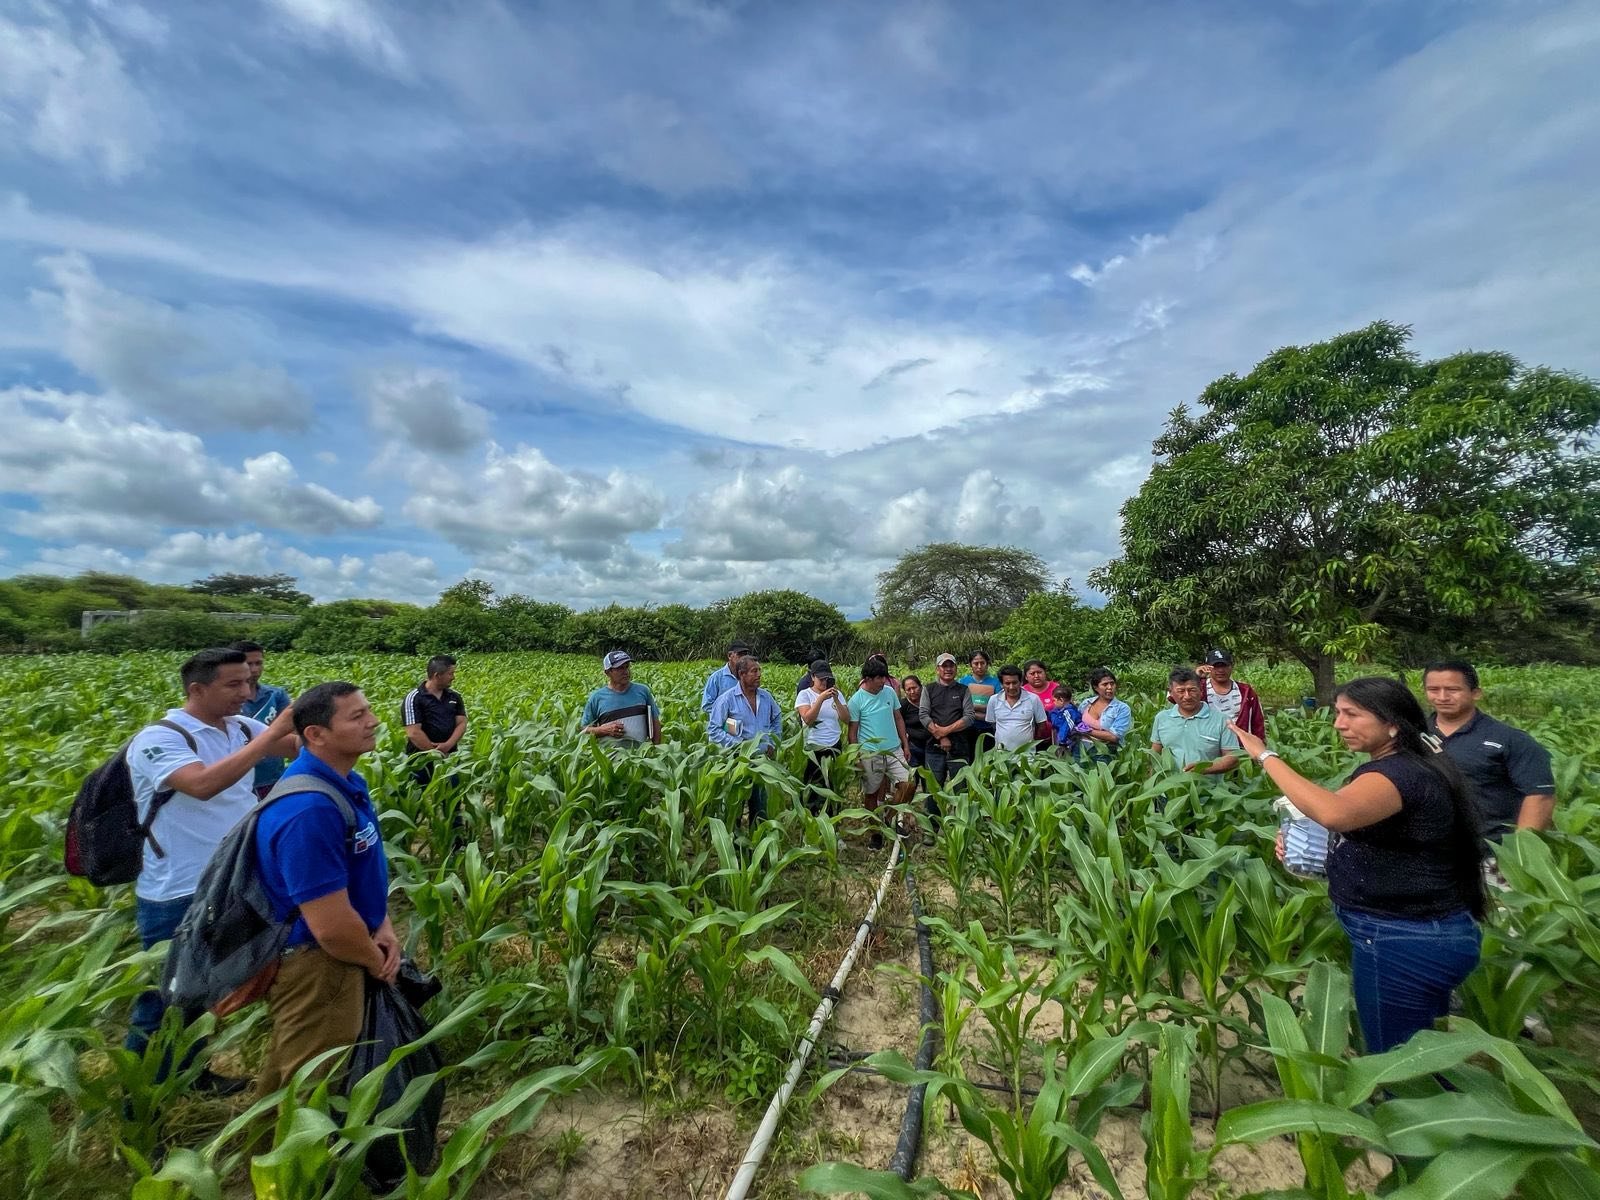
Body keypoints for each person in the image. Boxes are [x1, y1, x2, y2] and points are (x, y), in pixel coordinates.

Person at [1229, 677, 1487, 1053]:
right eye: (1337, 713)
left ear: (1393, 723)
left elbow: (1333, 813)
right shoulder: (1409, 767)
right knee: (1421, 1051)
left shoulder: (1399, 774)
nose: (1338, 724)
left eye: (1351, 714)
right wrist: (1314, 850)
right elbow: (1373, 837)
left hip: (1402, 940)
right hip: (1415, 932)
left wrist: (1265, 756)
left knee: (1399, 1061)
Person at [124, 648, 299, 1093]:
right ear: (196, 689)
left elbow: (298, 744)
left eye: (249, 682)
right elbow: (201, 784)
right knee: (163, 1001)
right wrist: (269, 736)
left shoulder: (240, 727)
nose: (248, 692)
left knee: (206, 992)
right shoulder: (159, 738)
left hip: (232, 881)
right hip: (177, 891)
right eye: (235, 685)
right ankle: (142, 1105)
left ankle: (192, 1075)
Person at [254, 682, 401, 1095]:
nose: (373, 721)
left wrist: (382, 922)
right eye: (357, 717)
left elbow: (358, 870)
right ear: (316, 734)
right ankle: (291, 1159)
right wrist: (376, 960)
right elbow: (330, 925)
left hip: (347, 947)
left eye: (368, 711)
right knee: (311, 1082)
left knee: (295, 1063)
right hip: (319, 962)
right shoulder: (309, 809)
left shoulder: (345, 782)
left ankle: (267, 1152)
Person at [1423, 659, 1556, 841]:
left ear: (1476, 693)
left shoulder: (1511, 739)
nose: (1442, 697)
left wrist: (1521, 853)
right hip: (1427, 851)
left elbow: (1539, 796)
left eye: (1453, 690)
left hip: (1491, 851)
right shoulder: (1412, 735)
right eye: (1433, 690)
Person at [707, 654, 783, 825]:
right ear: (741, 674)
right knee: (735, 806)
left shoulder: (766, 697)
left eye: (759, 671)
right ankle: (734, 843)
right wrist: (739, 746)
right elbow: (714, 729)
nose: (758, 675)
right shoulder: (727, 699)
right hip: (737, 762)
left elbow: (777, 718)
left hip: (762, 762)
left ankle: (759, 843)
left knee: (761, 806)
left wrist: (773, 741)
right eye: (754, 671)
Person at [848, 659, 913, 846]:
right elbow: (852, 732)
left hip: (894, 749)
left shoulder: (889, 692)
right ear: (867, 679)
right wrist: (857, 755)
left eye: (884, 677)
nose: (883, 681)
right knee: (871, 792)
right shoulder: (857, 700)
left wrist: (905, 744)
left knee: (908, 784)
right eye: (879, 678)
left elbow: (898, 718)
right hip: (870, 752)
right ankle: (876, 832)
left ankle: (887, 817)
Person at [232, 641, 294, 799]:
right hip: (239, 781)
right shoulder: (228, 701)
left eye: (258, 663)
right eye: (248, 664)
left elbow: (290, 732)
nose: (254, 669)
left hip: (273, 777)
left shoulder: (275, 695)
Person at [1151, 668, 1240, 773]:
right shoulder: (1162, 718)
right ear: (1171, 693)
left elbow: (1232, 757)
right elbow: (1155, 755)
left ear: (1201, 691)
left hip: (1209, 788)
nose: (1187, 696)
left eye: (1192, 690)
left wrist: (1206, 768)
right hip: (1170, 787)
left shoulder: (1222, 720)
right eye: (1180, 691)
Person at [401, 655, 467, 785]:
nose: (453, 677)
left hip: (450, 757)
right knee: (418, 795)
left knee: (452, 797)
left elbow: (461, 723)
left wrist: (448, 746)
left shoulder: (454, 696)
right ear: (437, 675)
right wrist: (435, 752)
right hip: (420, 759)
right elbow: (413, 732)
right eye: (450, 673)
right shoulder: (414, 698)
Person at [795, 663, 849, 814]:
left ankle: (832, 817)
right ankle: (811, 817)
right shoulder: (805, 694)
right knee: (812, 784)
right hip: (813, 747)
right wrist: (820, 699)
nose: (824, 682)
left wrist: (836, 700)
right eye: (821, 679)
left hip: (833, 744)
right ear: (812, 677)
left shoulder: (836, 694)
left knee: (831, 783)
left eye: (827, 679)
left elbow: (846, 718)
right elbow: (807, 719)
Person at [580, 651, 662, 747]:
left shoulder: (643, 691)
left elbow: (655, 721)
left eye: (627, 667)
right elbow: (584, 730)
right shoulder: (597, 698)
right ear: (607, 672)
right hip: (611, 758)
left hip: (641, 756)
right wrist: (604, 730)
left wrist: (657, 749)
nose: (626, 672)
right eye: (620, 668)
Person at [919, 653, 975, 787]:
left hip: (959, 747)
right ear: (937, 669)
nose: (948, 669)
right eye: (944, 666)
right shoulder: (929, 689)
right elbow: (923, 715)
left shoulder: (963, 690)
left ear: (956, 668)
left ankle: (959, 809)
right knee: (934, 790)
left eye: (951, 666)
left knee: (960, 789)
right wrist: (940, 736)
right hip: (934, 746)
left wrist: (945, 731)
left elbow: (969, 717)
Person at [1201, 649, 1266, 741]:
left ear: (1231, 666)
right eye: (1215, 666)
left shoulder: (1246, 691)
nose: (1220, 670)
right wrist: (1195, 677)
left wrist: (1260, 745)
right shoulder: (1199, 688)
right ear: (1207, 668)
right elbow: (1176, 700)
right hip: (1209, 745)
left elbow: (1257, 721)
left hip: (1240, 745)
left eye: (1224, 666)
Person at [988, 665, 1050, 752]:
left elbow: (1041, 724)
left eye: (1014, 682)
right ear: (1001, 684)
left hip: (1027, 756)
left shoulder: (1033, 699)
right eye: (1007, 683)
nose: (1011, 687)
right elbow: (993, 724)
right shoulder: (994, 700)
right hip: (1001, 757)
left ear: (1021, 682)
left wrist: (1031, 741)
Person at [1077, 668, 1133, 762]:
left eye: (1112, 683)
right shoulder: (1086, 703)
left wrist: (1087, 731)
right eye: (1105, 684)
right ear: (1095, 687)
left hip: (1105, 751)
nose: (1110, 687)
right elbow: (1077, 721)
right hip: (1081, 749)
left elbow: (1114, 736)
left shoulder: (1122, 708)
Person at [959, 651, 1000, 749]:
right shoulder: (963, 682)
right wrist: (983, 711)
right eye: (976, 663)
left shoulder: (996, 682)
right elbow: (959, 705)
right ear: (970, 665)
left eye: (982, 663)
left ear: (987, 664)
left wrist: (971, 710)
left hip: (989, 728)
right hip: (967, 728)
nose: (979, 666)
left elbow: (997, 707)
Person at [701, 641, 752, 715]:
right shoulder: (716, 678)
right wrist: (728, 713)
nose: (743, 659)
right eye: (739, 655)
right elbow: (707, 705)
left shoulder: (749, 676)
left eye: (745, 656)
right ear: (729, 655)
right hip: (724, 723)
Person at [899, 675, 931, 770]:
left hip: (931, 746)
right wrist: (905, 746)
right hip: (913, 746)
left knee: (930, 778)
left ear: (921, 687)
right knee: (913, 779)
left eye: (914, 688)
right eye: (908, 689)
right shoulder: (903, 705)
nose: (912, 692)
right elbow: (900, 725)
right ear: (905, 691)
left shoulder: (929, 701)